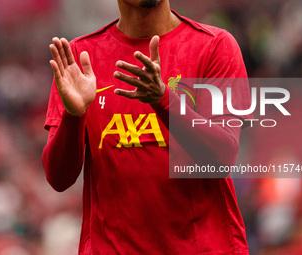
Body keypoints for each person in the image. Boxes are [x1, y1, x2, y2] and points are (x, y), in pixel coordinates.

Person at [42, 0, 252, 254]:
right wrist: (73, 117)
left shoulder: (214, 46)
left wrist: (164, 100)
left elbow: (223, 158)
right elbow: (59, 178)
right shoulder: (80, 58)